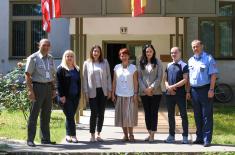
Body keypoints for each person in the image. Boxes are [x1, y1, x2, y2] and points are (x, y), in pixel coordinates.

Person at [25, 38, 56, 147]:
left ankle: (45, 139)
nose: (46, 47)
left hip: (48, 87)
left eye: (48, 45)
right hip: (37, 87)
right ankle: (30, 139)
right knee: (34, 114)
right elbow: (28, 75)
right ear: (39, 45)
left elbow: (52, 75)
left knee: (46, 114)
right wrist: (30, 91)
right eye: (44, 45)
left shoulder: (51, 58)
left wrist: (53, 89)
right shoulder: (33, 58)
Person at [187, 40, 218, 147]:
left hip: (206, 90)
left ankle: (207, 139)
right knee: (197, 115)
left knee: (207, 115)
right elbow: (189, 78)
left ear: (202, 46)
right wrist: (188, 91)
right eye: (193, 47)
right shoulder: (190, 60)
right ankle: (199, 137)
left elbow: (213, 75)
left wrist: (211, 89)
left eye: (197, 46)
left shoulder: (208, 58)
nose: (195, 48)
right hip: (194, 90)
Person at [83, 45, 112, 142]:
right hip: (92, 91)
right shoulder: (86, 63)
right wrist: (86, 92)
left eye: (98, 51)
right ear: (92, 52)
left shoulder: (105, 62)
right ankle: (92, 134)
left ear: (100, 53)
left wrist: (109, 90)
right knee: (94, 112)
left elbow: (108, 77)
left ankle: (99, 133)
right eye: (94, 51)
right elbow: (85, 79)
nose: (96, 53)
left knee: (101, 113)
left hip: (102, 91)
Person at [112, 48, 138, 142]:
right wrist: (113, 93)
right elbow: (114, 81)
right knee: (122, 116)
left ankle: (131, 135)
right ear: (120, 57)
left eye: (125, 55)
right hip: (119, 95)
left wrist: (135, 93)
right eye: (122, 55)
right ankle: (125, 135)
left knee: (130, 116)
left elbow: (135, 82)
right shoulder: (116, 67)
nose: (124, 57)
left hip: (130, 95)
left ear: (129, 56)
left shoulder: (133, 68)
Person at [138, 44, 163, 143]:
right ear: (145, 52)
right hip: (144, 93)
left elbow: (159, 77)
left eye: (150, 51)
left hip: (156, 93)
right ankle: (149, 132)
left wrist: (151, 88)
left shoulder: (158, 62)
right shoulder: (141, 62)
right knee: (147, 113)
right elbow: (139, 77)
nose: (148, 53)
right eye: (147, 51)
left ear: (153, 52)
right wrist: (145, 89)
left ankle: (153, 134)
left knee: (154, 113)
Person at [164, 47, 189, 144]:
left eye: (175, 52)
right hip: (169, 94)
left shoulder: (184, 65)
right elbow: (165, 79)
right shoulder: (169, 65)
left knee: (183, 115)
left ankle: (185, 136)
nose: (173, 54)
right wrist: (168, 87)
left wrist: (173, 86)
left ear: (180, 53)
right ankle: (171, 135)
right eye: (172, 53)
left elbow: (185, 80)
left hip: (180, 95)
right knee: (170, 115)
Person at [56, 50, 81, 143]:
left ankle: (67, 135)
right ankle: (73, 135)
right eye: (67, 56)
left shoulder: (76, 69)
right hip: (65, 97)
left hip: (75, 97)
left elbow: (79, 83)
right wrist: (61, 96)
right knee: (70, 116)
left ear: (73, 58)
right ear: (64, 57)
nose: (69, 58)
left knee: (70, 116)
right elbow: (58, 84)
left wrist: (79, 96)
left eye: (71, 56)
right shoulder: (61, 69)